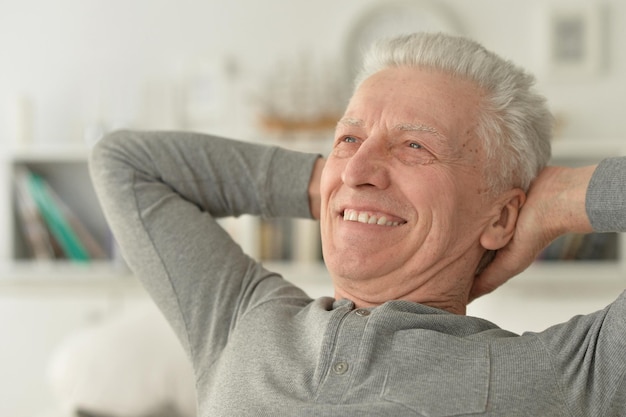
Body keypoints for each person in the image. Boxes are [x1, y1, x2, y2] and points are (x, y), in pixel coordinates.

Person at [89, 32, 626, 416]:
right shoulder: (242, 320)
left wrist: (561, 198)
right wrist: (334, 185)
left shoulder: (566, 375)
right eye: (348, 139)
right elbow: (124, 163)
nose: (360, 169)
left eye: (415, 145)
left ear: (502, 215)